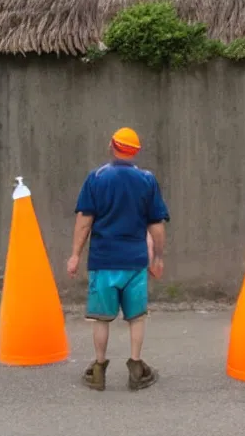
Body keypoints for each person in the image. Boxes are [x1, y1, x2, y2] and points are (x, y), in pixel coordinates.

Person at [67, 127, 170, 392]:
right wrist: (157, 257)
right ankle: (136, 368)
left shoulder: (97, 178)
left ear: (111, 146)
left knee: (101, 318)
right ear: (135, 152)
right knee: (136, 317)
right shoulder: (147, 180)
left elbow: (84, 221)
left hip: (103, 261)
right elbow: (156, 224)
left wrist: (75, 255)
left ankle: (98, 369)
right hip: (135, 261)